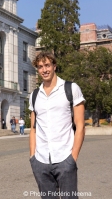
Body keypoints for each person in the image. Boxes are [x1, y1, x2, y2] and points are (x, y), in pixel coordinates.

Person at [29, 52, 85, 199]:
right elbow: (33, 128)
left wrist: (72, 158)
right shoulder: (35, 95)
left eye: (47, 65)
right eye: (40, 67)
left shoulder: (71, 88)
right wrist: (33, 157)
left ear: (54, 66)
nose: (44, 70)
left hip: (64, 158)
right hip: (40, 161)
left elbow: (80, 126)